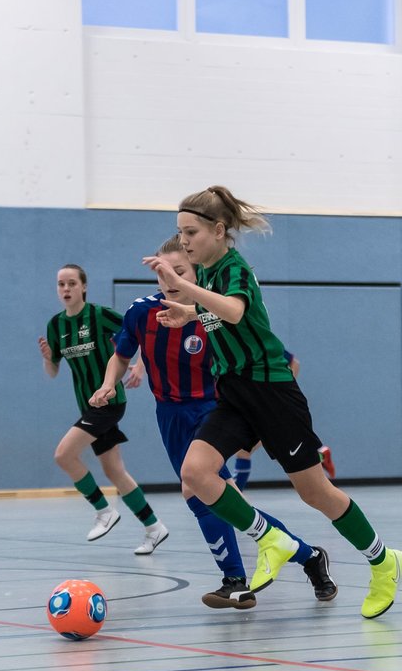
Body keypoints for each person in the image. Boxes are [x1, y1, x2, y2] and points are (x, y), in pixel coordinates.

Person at [143, 186, 402, 619]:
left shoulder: (234, 269)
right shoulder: (207, 274)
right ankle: (271, 538)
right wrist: (189, 313)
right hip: (233, 394)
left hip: (271, 393)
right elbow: (219, 315)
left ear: (218, 229)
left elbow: (233, 311)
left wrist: (183, 291)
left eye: (191, 231)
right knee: (195, 472)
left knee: (315, 492)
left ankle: (384, 561)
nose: (185, 240)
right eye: (180, 232)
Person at [89, 237, 337, 609]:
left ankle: (235, 579)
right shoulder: (141, 313)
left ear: (197, 273)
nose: (170, 280)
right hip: (169, 415)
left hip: (213, 408)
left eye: (180, 271)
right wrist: (109, 383)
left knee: (200, 491)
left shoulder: (219, 312)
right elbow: (121, 356)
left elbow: (275, 356)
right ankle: (306, 557)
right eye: (163, 272)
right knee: (215, 500)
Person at [39, 264, 168, 553]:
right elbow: (53, 371)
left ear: (83, 286)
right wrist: (48, 358)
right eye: (61, 284)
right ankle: (154, 527)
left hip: (108, 401)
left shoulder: (99, 315)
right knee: (114, 471)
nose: (66, 289)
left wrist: (140, 365)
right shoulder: (56, 326)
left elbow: (141, 332)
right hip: (88, 405)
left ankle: (104, 511)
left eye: (72, 283)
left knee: (63, 455)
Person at [231, 351, 336, 488]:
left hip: (268, 405)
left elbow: (294, 363)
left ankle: (235, 500)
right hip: (253, 405)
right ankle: (319, 454)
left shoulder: (254, 343)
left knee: (243, 451)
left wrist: (279, 393)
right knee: (253, 448)